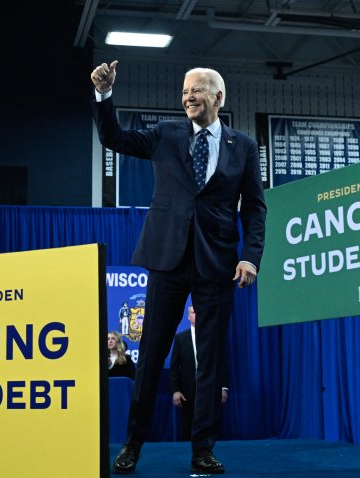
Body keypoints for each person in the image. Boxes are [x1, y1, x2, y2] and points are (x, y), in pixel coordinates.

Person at [90, 60, 266, 474]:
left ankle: (202, 449)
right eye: (185, 91)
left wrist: (250, 255)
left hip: (217, 262)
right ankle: (132, 444)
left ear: (218, 98)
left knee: (209, 360)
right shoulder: (166, 134)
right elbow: (113, 137)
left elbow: (255, 208)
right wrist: (104, 95)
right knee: (150, 355)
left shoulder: (243, 146)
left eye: (197, 90)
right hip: (167, 259)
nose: (188, 97)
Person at [170, 305, 228, 441]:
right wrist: (175, 390)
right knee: (188, 426)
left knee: (210, 423)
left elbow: (221, 363)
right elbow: (174, 367)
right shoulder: (180, 338)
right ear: (189, 317)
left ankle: (209, 452)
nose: (197, 315)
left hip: (210, 386)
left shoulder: (213, 336)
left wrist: (223, 387)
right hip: (187, 390)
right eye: (194, 312)